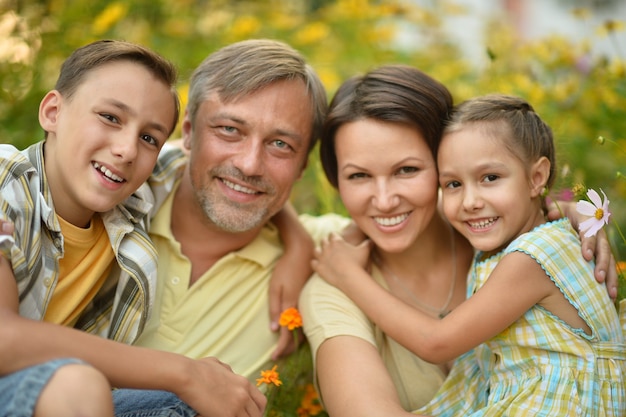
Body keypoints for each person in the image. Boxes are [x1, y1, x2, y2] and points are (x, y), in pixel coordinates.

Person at [312, 93, 626, 416]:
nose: (470, 201)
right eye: (452, 184)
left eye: (490, 178)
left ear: (536, 178)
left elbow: (436, 342)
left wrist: (349, 276)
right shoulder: (519, 240)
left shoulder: (532, 258)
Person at [0, 40, 267, 417]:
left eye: (148, 138)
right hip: (46, 392)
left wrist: (297, 242)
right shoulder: (4, 185)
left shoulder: (132, 197)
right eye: (110, 117)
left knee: (211, 399)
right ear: (53, 111)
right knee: (79, 383)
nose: (127, 149)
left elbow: (238, 175)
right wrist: (183, 372)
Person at [113, 39, 349, 414]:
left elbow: (434, 206)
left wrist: (299, 242)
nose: (250, 163)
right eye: (229, 130)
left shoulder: (324, 251)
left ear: (303, 166)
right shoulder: (109, 210)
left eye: (280, 144)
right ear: (188, 131)